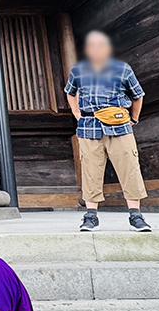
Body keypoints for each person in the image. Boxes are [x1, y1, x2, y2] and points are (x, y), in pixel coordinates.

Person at [65, 30, 152, 233]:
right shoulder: (78, 70)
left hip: (119, 125)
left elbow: (138, 95)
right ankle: (91, 216)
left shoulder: (123, 69)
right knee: (90, 170)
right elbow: (70, 92)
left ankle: (136, 215)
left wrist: (134, 119)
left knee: (129, 167)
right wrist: (76, 112)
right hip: (88, 125)